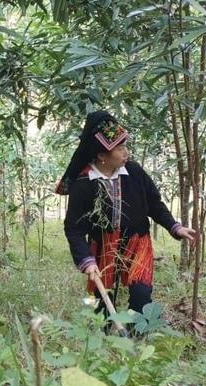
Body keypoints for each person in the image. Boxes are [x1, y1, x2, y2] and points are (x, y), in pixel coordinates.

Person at [56, 110, 196, 316]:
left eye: (125, 146)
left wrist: (175, 227)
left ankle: (137, 336)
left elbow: (153, 204)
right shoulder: (84, 184)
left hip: (137, 242)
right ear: (102, 156)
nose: (126, 152)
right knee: (100, 302)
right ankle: (100, 338)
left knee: (142, 294)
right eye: (120, 148)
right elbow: (74, 229)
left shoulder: (134, 172)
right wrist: (86, 260)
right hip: (103, 246)